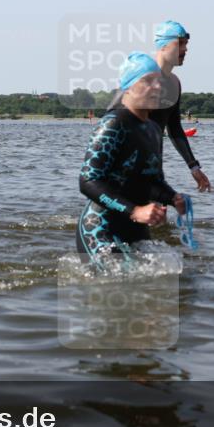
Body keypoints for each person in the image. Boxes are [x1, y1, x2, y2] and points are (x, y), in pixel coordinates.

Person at [77, 52, 187, 267]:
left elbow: (152, 181)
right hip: (101, 227)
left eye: (158, 81)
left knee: (166, 281)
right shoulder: (112, 125)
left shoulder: (154, 130)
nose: (157, 87)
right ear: (127, 86)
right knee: (121, 289)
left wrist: (172, 197)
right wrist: (135, 211)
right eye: (147, 81)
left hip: (136, 225)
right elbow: (88, 181)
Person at [107, 20, 211, 192]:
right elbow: (111, 118)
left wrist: (194, 167)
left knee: (159, 214)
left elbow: (175, 129)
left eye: (186, 44)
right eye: (180, 44)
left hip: (153, 169)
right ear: (162, 46)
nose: (185, 49)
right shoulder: (142, 77)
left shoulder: (174, 84)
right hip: (124, 170)